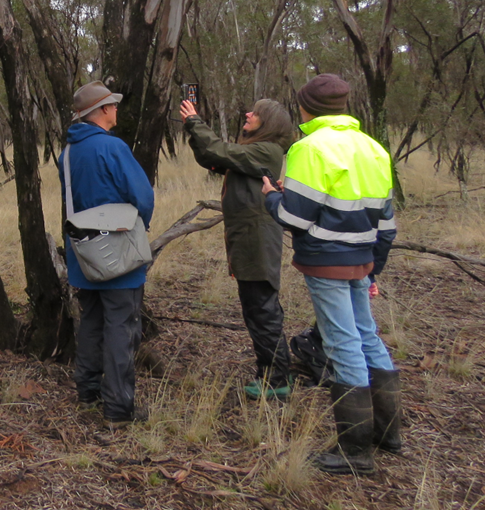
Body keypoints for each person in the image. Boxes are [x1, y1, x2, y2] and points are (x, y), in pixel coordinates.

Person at [260, 73, 401, 476]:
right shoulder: (374, 148)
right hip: (363, 256)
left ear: (305, 108)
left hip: (326, 259)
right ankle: (389, 433)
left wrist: (273, 196)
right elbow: (387, 223)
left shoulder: (308, 148)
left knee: (342, 343)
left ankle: (356, 451)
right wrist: (375, 268)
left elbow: (293, 217)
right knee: (366, 335)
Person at [178, 95, 297, 400]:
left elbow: (220, 151)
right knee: (257, 308)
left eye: (255, 114)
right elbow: (212, 158)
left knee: (262, 309)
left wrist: (195, 121)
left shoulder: (266, 151)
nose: (247, 114)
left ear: (267, 123)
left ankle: (276, 379)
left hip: (256, 239)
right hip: (248, 239)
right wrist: (193, 131)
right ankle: (271, 373)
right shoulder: (253, 151)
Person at [61, 81, 155, 424]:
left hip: (83, 254)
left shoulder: (68, 152)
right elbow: (143, 197)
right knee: (121, 325)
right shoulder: (112, 148)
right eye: (112, 105)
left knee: (91, 321)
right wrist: (139, 226)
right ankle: (118, 407)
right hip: (119, 254)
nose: (116, 110)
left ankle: (87, 392)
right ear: (101, 111)